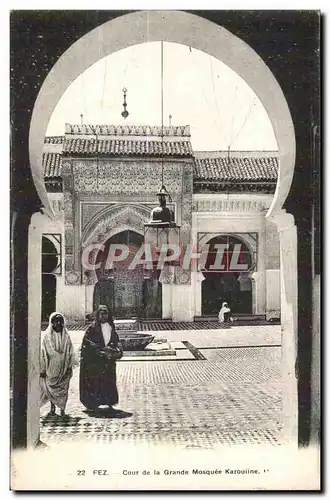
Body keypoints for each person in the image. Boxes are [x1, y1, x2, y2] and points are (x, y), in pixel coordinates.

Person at [79, 304, 122, 411]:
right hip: (96, 362)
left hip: (108, 361)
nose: (104, 316)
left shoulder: (111, 327)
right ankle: (94, 403)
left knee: (109, 381)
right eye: (101, 313)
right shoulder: (92, 328)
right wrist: (99, 352)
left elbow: (116, 340)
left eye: (106, 313)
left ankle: (109, 402)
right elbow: (86, 343)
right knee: (96, 382)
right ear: (98, 315)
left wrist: (115, 350)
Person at [40, 312, 74, 418]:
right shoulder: (46, 337)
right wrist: (43, 369)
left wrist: (69, 366)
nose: (58, 323)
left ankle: (62, 409)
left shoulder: (66, 336)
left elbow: (71, 352)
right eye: (55, 321)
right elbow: (43, 353)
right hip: (51, 368)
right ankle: (52, 408)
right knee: (51, 389)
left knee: (63, 389)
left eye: (60, 321)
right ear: (52, 323)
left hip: (64, 368)